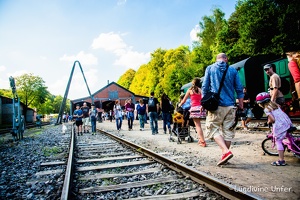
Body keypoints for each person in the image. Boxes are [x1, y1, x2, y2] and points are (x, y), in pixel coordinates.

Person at [202, 53, 244, 166]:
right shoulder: (233, 70)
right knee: (228, 132)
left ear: (216, 59)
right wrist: (241, 104)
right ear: (226, 59)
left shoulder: (210, 68)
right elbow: (239, 89)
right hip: (230, 106)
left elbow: (205, 87)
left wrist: (203, 102)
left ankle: (225, 151)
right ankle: (225, 156)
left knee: (212, 129)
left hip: (216, 106)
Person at [256, 92, 292, 166]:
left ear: (261, 103)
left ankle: (281, 160)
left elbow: (272, 119)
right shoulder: (275, 105)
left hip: (280, 125)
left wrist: (269, 122)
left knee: (278, 141)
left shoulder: (266, 109)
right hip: (287, 122)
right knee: (288, 136)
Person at [178, 77, 206, 147]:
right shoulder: (200, 90)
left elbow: (184, 100)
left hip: (194, 109)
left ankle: (202, 141)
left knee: (198, 126)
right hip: (200, 109)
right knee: (199, 125)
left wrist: (179, 105)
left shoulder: (190, 90)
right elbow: (203, 99)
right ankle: (200, 140)